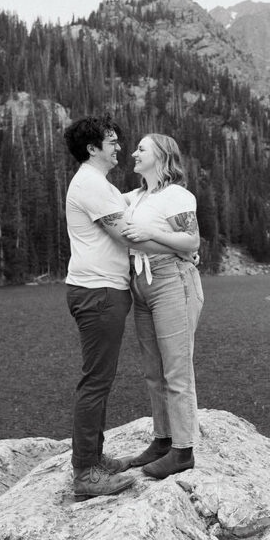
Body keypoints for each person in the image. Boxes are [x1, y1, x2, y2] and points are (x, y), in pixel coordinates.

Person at [62, 116, 189, 500]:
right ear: (92, 148)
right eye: (112, 142)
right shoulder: (90, 185)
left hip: (102, 290)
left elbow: (138, 220)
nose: (120, 147)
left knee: (99, 379)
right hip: (98, 292)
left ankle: (94, 460)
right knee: (96, 382)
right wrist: (184, 249)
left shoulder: (99, 185)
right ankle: (85, 472)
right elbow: (129, 237)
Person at [118, 134, 204, 479]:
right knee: (153, 372)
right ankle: (162, 440)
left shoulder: (177, 195)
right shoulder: (136, 196)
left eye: (141, 148)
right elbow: (104, 203)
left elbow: (191, 240)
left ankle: (182, 451)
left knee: (176, 371)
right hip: (141, 284)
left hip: (172, 281)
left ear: (162, 155)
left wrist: (150, 237)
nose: (134, 153)